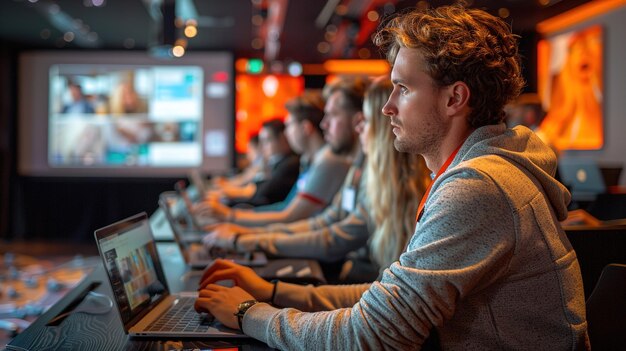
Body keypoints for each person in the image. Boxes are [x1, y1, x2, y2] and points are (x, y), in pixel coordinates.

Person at [194, 5, 589, 350]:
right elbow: (390, 300)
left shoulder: (478, 186)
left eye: (402, 89)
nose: (386, 108)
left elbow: (374, 336)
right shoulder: (476, 171)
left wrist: (249, 313)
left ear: (454, 99)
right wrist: (274, 292)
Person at [203, 77, 430, 283]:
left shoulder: (336, 163)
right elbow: (324, 222)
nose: (324, 124)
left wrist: (241, 235)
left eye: (332, 115)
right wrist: (243, 234)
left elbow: (327, 235)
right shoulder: (357, 169)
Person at [195, 82, 364, 227]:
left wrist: (232, 219)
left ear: (305, 128)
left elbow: (290, 216)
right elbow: (286, 208)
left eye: (289, 125)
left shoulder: (329, 161)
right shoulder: (310, 160)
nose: (286, 133)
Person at [219, 119, 300, 208]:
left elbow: (264, 192)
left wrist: (229, 211)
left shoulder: (291, 164)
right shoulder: (277, 163)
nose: (262, 147)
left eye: (266, 140)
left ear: (282, 138)